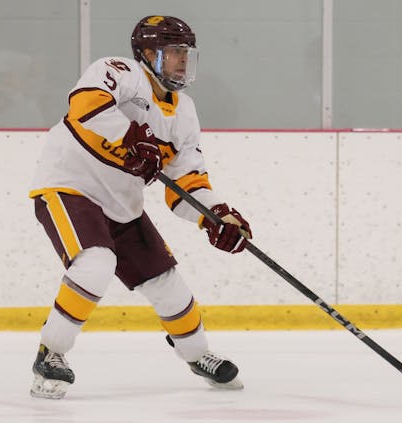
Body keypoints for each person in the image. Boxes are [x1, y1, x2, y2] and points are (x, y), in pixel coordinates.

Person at [27, 15, 252, 399]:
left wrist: (215, 216)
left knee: (169, 286)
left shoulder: (184, 112)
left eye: (186, 54)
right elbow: (85, 105)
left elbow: (186, 182)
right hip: (70, 187)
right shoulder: (121, 71)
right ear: (147, 54)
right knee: (96, 264)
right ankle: (51, 353)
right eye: (173, 53)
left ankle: (197, 354)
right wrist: (131, 137)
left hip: (123, 205)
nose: (182, 61)